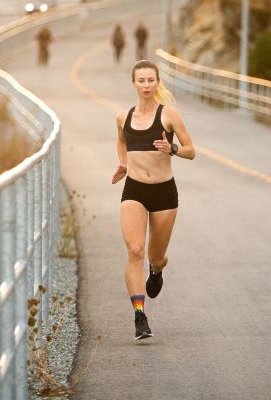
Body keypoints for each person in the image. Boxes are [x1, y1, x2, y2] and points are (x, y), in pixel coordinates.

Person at [111, 60, 195, 340]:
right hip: (134, 190)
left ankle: (156, 271)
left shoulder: (169, 115)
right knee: (135, 250)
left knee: (155, 256)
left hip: (163, 193)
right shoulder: (123, 117)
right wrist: (123, 164)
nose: (146, 85)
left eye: (151, 80)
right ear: (134, 83)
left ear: (157, 82)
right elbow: (122, 141)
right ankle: (139, 316)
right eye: (141, 80)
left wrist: (171, 148)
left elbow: (191, 150)